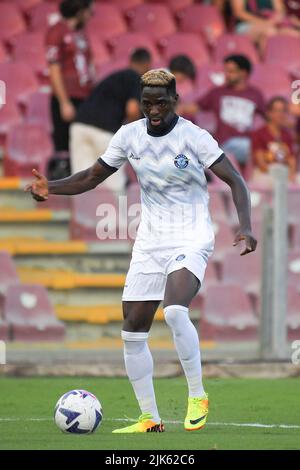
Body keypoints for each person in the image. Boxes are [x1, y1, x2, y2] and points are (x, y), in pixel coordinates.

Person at [25, 69, 257, 433]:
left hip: (191, 235)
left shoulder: (194, 137)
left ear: (174, 100)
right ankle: (149, 417)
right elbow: (91, 177)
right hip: (150, 240)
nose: (153, 109)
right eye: (147, 102)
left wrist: (245, 225)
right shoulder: (129, 135)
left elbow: (236, 180)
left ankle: (197, 394)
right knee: (132, 331)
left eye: (160, 102)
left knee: (176, 311)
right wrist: (49, 187)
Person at [70, 48, 152, 191]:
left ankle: (84, 213)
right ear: (147, 65)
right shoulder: (136, 78)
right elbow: (132, 109)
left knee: (82, 180)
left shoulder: (113, 77)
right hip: (104, 130)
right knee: (114, 183)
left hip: (80, 125)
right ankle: (117, 213)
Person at [178, 55, 265, 168]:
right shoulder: (218, 92)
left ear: (243, 73)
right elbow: (194, 107)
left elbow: (268, 116)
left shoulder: (255, 94)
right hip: (226, 144)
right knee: (252, 147)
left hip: (247, 141)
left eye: (231, 71)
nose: (226, 74)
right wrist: (175, 107)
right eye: (226, 71)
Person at [46, 0, 94, 155]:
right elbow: (54, 69)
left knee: (83, 147)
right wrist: (64, 102)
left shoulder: (82, 34)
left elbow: (88, 65)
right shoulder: (57, 32)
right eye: (88, 11)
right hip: (68, 97)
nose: (90, 15)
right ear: (79, 11)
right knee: (65, 148)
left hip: (84, 98)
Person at [251, 96, 297, 184]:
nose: (281, 114)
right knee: (278, 183)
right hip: (265, 174)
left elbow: (292, 160)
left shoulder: (287, 135)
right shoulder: (259, 134)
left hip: (284, 173)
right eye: (277, 111)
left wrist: (292, 174)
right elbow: (261, 164)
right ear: (269, 113)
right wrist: (280, 175)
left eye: (283, 111)